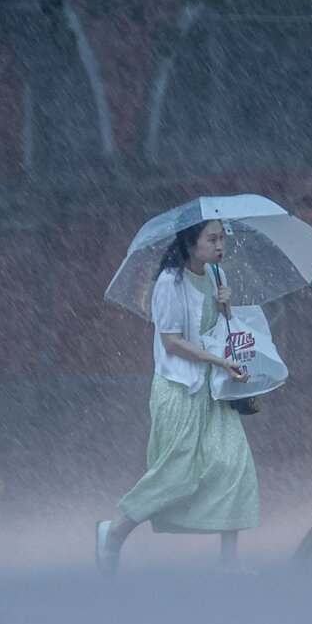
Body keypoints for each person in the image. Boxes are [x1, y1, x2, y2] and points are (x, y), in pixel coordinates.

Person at [96, 219, 259, 573]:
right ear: (190, 244)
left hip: (214, 390)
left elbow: (221, 331)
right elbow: (172, 342)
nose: (220, 246)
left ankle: (228, 562)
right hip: (179, 390)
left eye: (222, 239)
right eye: (212, 239)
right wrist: (219, 361)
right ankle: (114, 531)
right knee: (177, 473)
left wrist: (227, 307)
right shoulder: (170, 283)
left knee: (234, 465)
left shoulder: (217, 276)